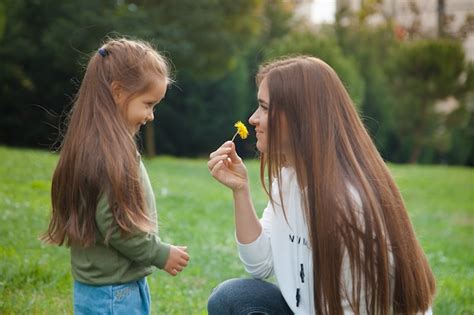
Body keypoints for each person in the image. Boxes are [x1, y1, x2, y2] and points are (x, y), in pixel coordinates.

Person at [207, 56, 435, 314]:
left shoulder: (346, 204)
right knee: (231, 298)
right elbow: (260, 265)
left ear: (301, 117)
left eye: (265, 108)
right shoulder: (289, 178)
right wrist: (241, 191)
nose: (253, 119)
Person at [41, 38, 189, 314]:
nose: (151, 115)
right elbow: (117, 225)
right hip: (116, 294)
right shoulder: (110, 154)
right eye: (148, 104)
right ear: (118, 92)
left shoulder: (90, 143)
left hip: (96, 288)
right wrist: (160, 253)